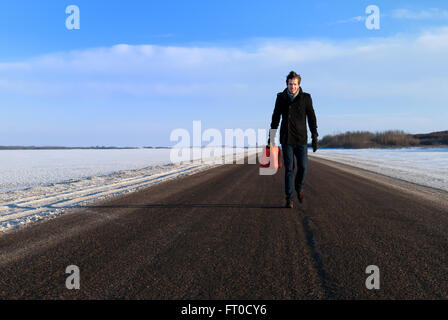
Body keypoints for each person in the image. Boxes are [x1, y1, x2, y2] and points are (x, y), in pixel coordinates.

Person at [268, 71, 318, 208]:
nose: (292, 87)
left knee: (303, 167)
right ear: (287, 84)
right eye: (290, 84)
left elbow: (312, 118)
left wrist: (314, 136)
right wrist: (271, 137)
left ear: (299, 84)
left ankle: (299, 187)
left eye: (295, 84)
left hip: (301, 139)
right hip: (287, 139)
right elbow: (275, 118)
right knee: (289, 169)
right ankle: (289, 198)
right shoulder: (281, 98)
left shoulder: (306, 98)